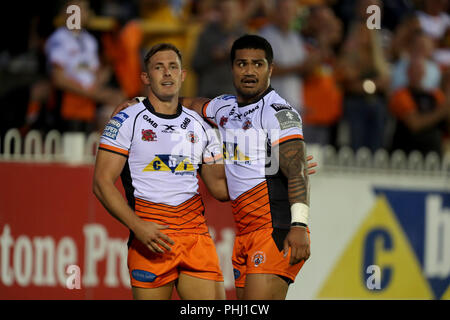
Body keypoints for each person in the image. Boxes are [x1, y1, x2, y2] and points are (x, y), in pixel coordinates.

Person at [113, 34, 313, 300]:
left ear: (271, 69)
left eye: (258, 64)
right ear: (231, 68)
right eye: (242, 64)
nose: (250, 71)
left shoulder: (278, 112)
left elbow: (297, 169)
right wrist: (141, 103)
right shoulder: (224, 107)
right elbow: (188, 104)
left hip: (274, 229)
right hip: (245, 233)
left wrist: (299, 225)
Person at [93, 43, 229, 300]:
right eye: (159, 67)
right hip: (151, 239)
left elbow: (221, 188)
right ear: (146, 77)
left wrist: (265, 176)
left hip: (195, 237)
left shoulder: (202, 126)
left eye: (173, 67)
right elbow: (101, 183)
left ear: (183, 75)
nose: (167, 73)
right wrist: (138, 227)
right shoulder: (125, 120)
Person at [45, 0, 124, 133]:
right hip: (70, 97)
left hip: (89, 95)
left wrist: (107, 70)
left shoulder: (89, 40)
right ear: (64, 13)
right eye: (74, 10)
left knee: (121, 101)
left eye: (82, 10)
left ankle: (100, 148)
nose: (78, 15)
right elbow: (58, 79)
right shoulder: (59, 38)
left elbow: (95, 73)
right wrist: (96, 94)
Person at [389, 56, 450, 156]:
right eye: (414, 70)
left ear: (425, 73)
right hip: (406, 154)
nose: (417, 74)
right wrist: (443, 110)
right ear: (408, 72)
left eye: (420, 70)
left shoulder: (436, 95)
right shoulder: (401, 95)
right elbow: (415, 124)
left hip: (433, 155)